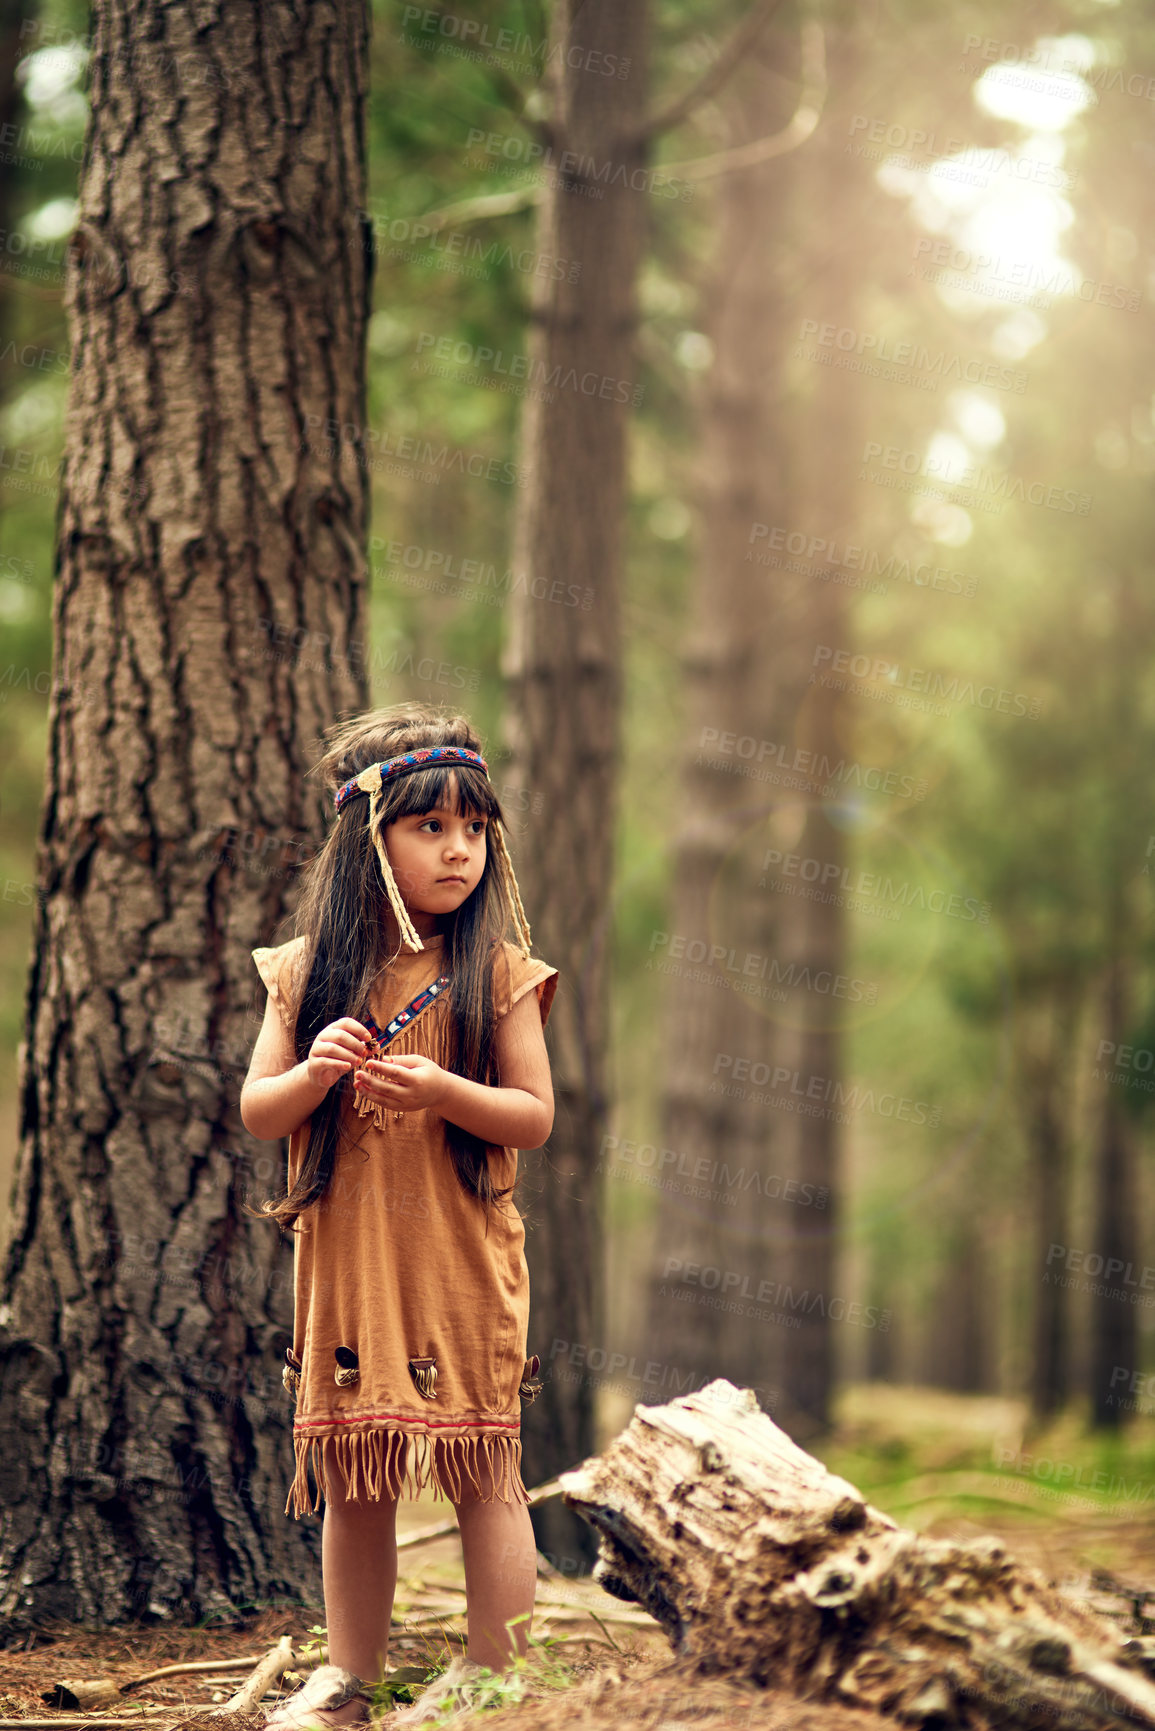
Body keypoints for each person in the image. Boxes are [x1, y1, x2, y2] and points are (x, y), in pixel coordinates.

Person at [239, 704, 558, 1728]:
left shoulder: (497, 972)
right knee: (355, 1474)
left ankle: (495, 1678)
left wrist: (447, 1095)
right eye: (430, 828)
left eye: (475, 828)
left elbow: (535, 1116)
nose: (459, 849)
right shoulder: (303, 974)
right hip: (350, 1267)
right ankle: (350, 1676)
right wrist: (316, 1076)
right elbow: (258, 1110)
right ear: (365, 845)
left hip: (464, 1261)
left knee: (482, 1463)